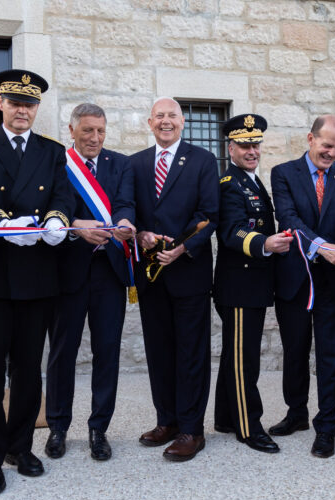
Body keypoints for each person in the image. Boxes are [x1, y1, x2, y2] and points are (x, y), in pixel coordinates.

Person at [0, 69, 74, 494]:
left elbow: (63, 195)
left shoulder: (52, 152)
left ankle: (21, 445)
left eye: (29, 104)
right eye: (15, 102)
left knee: (29, 371)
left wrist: (56, 220)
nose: (22, 110)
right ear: (1, 104)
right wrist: (2, 223)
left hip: (37, 275)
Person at [269, 114, 335, 458]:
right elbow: (289, 219)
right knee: (295, 352)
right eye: (327, 145)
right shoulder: (283, 173)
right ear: (310, 139)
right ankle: (296, 413)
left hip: (333, 282)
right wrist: (324, 248)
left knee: (330, 355)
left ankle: (327, 426)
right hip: (294, 280)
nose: (332, 153)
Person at [44, 103, 135, 461]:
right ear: (72, 131)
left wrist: (125, 223)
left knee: (107, 353)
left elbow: (126, 203)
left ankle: (99, 428)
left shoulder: (120, 164)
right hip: (68, 270)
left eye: (100, 131)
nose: (95, 138)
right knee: (62, 353)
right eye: (87, 132)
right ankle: (57, 427)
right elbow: (52, 208)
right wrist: (75, 229)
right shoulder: (58, 163)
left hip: (109, 272)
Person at [131, 97, 218, 462]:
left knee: (191, 353)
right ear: (150, 122)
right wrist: (140, 235)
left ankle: (191, 430)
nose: (166, 122)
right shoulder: (133, 164)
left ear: (183, 122)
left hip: (188, 272)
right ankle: (166, 420)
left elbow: (210, 214)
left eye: (173, 116)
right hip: (151, 277)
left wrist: (182, 248)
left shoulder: (202, 160)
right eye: (160, 116)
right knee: (159, 352)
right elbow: (128, 210)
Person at [212, 114, 291, 454]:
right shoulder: (230, 183)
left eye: (255, 144)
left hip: (251, 282)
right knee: (245, 360)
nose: (251, 150)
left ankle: (226, 417)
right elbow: (231, 231)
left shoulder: (252, 181)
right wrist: (264, 243)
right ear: (230, 147)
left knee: (234, 353)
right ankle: (248, 426)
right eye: (244, 144)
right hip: (240, 284)